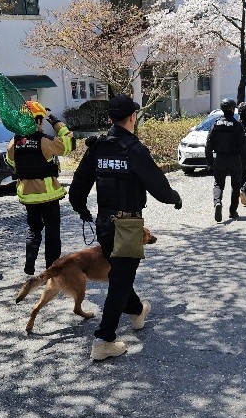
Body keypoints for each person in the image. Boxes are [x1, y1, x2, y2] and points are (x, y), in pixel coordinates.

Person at [69, 94, 182, 361]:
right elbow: (159, 187)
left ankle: (136, 311)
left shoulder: (97, 147)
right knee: (120, 279)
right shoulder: (134, 149)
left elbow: (77, 187)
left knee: (120, 273)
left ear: (110, 118)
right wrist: (175, 198)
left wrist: (82, 210)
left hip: (104, 224)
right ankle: (103, 340)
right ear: (132, 117)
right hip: (128, 225)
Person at [6, 100, 74, 275]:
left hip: (28, 197)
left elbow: (11, 162)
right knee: (52, 232)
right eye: (41, 119)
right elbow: (69, 145)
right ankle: (51, 269)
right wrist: (57, 123)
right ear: (36, 120)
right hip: (48, 196)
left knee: (33, 230)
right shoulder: (44, 141)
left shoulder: (14, 142)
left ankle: (30, 261)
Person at [205, 98, 246, 221]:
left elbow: (208, 144)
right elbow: (243, 147)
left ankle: (217, 203)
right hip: (234, 159)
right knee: (235, 186)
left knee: (218, 184)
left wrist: (209, 161)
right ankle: (232, 211)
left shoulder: (216, 125)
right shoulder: (237, 125)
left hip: (220, 158)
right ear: (232, 109)